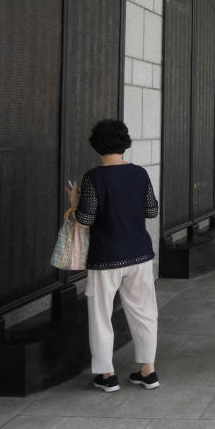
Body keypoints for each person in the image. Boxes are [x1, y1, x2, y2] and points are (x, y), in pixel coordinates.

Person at [65, 119, 160, 393]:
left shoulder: (94, 177)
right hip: (140, 254)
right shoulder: (140, 173)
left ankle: (107, 375)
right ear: (125, 143)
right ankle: (148, 371)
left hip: (106, 256)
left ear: (96, 145)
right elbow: (152, 211)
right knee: (144, 312)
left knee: (101, 315)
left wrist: (74, 203)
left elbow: (85, 219)